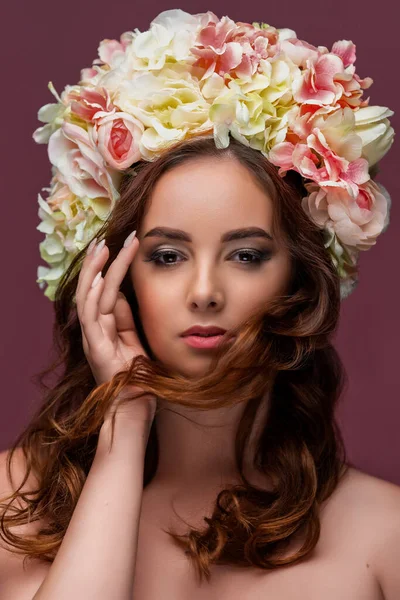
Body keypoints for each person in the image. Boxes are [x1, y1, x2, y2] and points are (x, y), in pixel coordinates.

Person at [1, 8, 399, 600]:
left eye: (246, 255)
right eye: (167, 256)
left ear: (298, 279)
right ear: (113, 274)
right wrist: (123, 428)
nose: (205, 291)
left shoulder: (382, 534)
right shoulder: (12, 502)